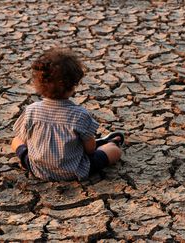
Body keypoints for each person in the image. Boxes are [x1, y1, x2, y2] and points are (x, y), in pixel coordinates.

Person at [11, 47, 124, 181]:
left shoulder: (31, 110)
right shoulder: (80, 115)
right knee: (114, 150)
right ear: (72, 85)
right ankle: (107, 143)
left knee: (15, 140)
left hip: (37, 169)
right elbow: (90, 149)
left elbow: (24, 139)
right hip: (74, 170)